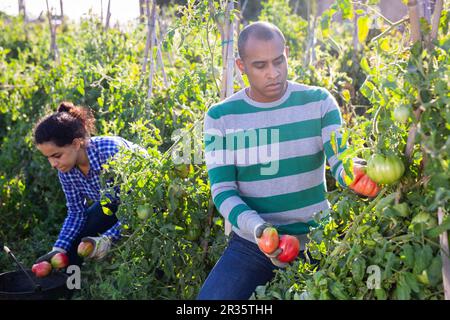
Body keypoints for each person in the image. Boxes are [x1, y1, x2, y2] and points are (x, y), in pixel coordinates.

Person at [199, 21, 380, 300]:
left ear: (287, 53)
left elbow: (340, 160)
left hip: (318, 240)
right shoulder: (222, 117)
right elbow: (223, 191)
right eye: (260, 66)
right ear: (241, 66)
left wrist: (352, 176)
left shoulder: (318, 102)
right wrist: (260, 230)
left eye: (278, 61)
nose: (273, 73)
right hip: (252, 243)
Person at [33, 101, 143, 267]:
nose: (53, 164)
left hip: (146, 201)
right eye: (48, 158)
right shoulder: (66, 171)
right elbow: (77, 212)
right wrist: (59, 248)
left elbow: (137, 205)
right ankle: (69, 286)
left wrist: (108, 239)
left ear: (76, 144)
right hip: (113, 203)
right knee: (75, 241)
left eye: (56, 155)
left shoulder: (111, 153)